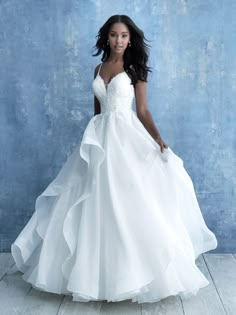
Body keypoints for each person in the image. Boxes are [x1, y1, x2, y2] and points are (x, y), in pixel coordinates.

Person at [11, 14, 218, 304]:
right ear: (106, 38)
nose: (118, 40)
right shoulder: (98, 67)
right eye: (113, 35)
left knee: (129, 200)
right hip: (99, 138)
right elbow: (97, 112)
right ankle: (94, 274)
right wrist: (91, 143)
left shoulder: (135, 69)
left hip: (126, 135)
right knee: (92, 199)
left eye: (123, 35)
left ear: (130, 38)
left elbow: (142, 110)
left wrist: (157, 138)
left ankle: (136, 272)